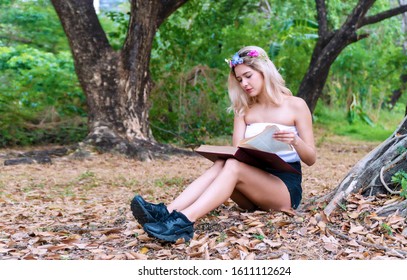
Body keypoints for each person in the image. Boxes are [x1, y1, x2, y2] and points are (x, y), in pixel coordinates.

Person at [130, 46, 316, 243]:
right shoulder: (243, 109)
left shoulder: (296, 105)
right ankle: (165, 212)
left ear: (264, 72)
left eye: (248, 76)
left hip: (283, 189)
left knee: (233, 166)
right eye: (239, 80)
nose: (244, 84)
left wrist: (295, 141)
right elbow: (238, 151)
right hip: (249, 188)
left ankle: (184, 221)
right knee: (223, 163)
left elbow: (311, 159)